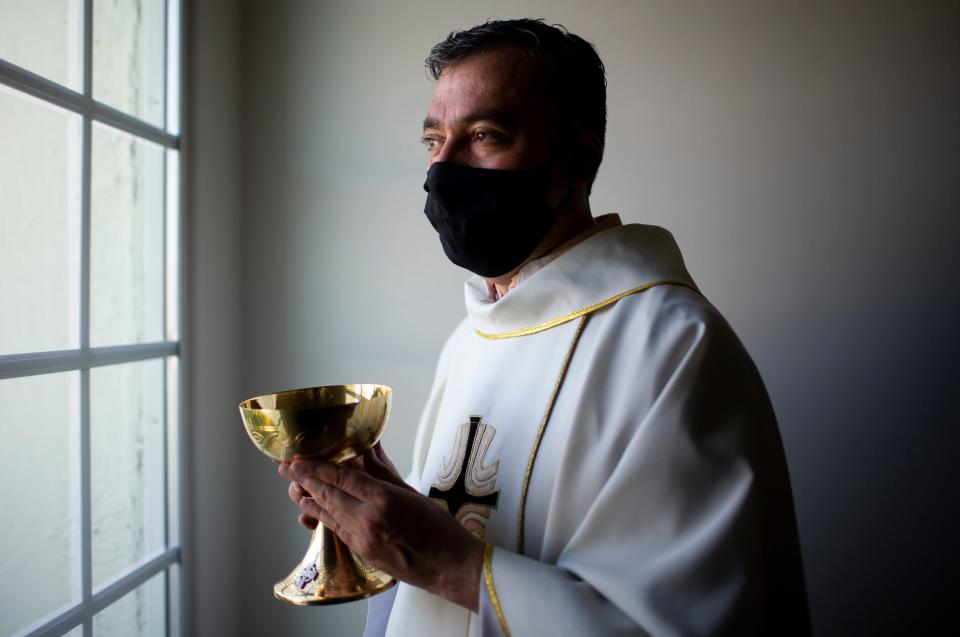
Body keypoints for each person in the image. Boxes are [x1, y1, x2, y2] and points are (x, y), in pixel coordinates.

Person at [278, 18, 810, 636]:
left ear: (576, 161)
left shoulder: (673, 347)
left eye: (485, 135)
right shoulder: (473, 336)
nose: (444, 170)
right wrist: (390, 524)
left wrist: (450, 563)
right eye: (434, 141)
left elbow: (696, 622)